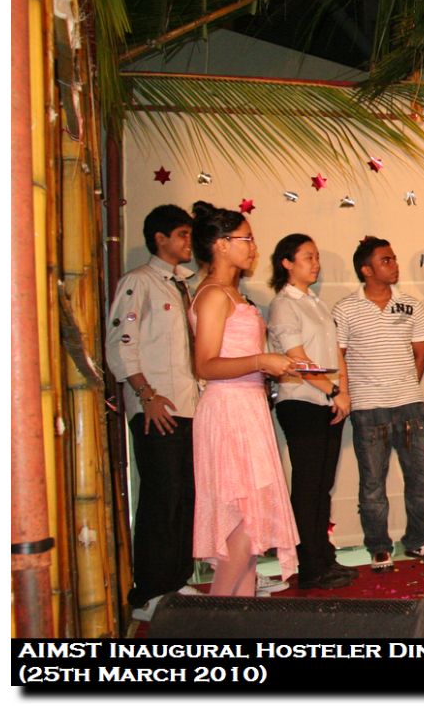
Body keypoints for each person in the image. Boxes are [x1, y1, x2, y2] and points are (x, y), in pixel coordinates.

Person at [188, 202, 299, 596]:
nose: (253, 247)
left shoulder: (231, 293)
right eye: (246, 238)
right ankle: (215, 616)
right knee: (241, 527)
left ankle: (239, 616)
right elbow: (205, 364)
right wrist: (260, 360)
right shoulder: (213, 295)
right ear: (221, 244)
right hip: (228, 411)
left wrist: (269, 365)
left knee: (251, 530)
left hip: (247, 407)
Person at [106, 205, 201, 620]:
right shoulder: (138, 282)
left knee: (185, 495)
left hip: (189, 406)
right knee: (161, 497)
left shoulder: (185, 286)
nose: (188, 242)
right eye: (182, 234)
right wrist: (146, 395)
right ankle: (147, 592)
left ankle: (175, 581)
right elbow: (120, 344)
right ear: (160, 238)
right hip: (156, 408)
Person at [333, 236, 424, 571]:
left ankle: (418, 540)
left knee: (420, 479)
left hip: (410, 405)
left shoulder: (411, 305)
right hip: (368, 408)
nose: (394, 264)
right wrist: (349, 393)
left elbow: (421, 353)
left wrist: (406, 384)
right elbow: (338, 356)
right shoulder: (345, 309)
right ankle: (379, 546)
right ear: (366, 270)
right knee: (372, 483)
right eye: (385, 260)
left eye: (394, 258)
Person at [267, 234, 357, 590]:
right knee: (307, 486)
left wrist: (342, 392)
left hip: (327, 401)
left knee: (322, 486)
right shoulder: (283, 304)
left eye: (317, 256)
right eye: (307, 257)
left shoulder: (316, 303)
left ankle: (323, 557)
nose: (315, 263)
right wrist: (332, 391)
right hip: (300, 401)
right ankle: (309, 566)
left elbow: (336, 355)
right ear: (287, 263)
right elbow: (297, 359)